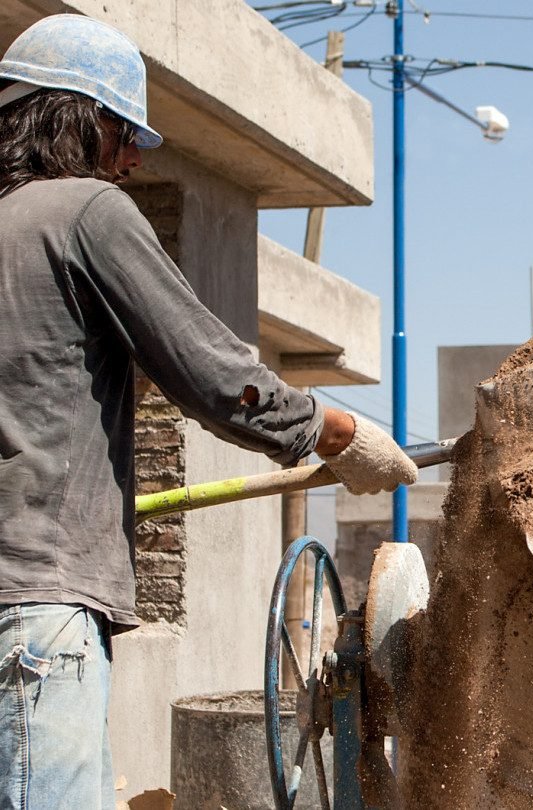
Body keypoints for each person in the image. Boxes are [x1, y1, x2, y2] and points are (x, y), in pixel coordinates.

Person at [0, 14, 417, 808]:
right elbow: (215, 376)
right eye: (126, 134)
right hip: (34, 611)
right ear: (77, 117)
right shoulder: (84, 213)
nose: (132, 160)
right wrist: (336, 433)